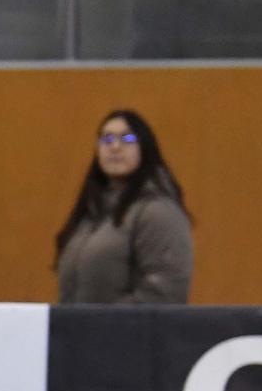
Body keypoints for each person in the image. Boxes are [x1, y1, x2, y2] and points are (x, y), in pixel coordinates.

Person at [53, 109, 193, 304]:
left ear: (145, 147)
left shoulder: (158, 211)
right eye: (107, 139)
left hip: (128, 332)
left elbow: (165, 291)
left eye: (127, 139)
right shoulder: (90, 214)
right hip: (83, 332)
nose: (115, 147)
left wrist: (104, 324)